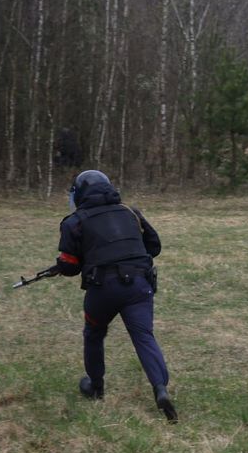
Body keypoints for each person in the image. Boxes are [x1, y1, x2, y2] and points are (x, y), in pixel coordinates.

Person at [51, 170, 178, 421]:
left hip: (103, 290)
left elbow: (69, 266)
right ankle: (160, 388)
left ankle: (96, 386)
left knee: (94, 333)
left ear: (80, 194)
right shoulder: (131, 213)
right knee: (143, 336)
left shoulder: (73, 222)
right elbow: (154, 247)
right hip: (140, 286)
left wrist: (66, 264)